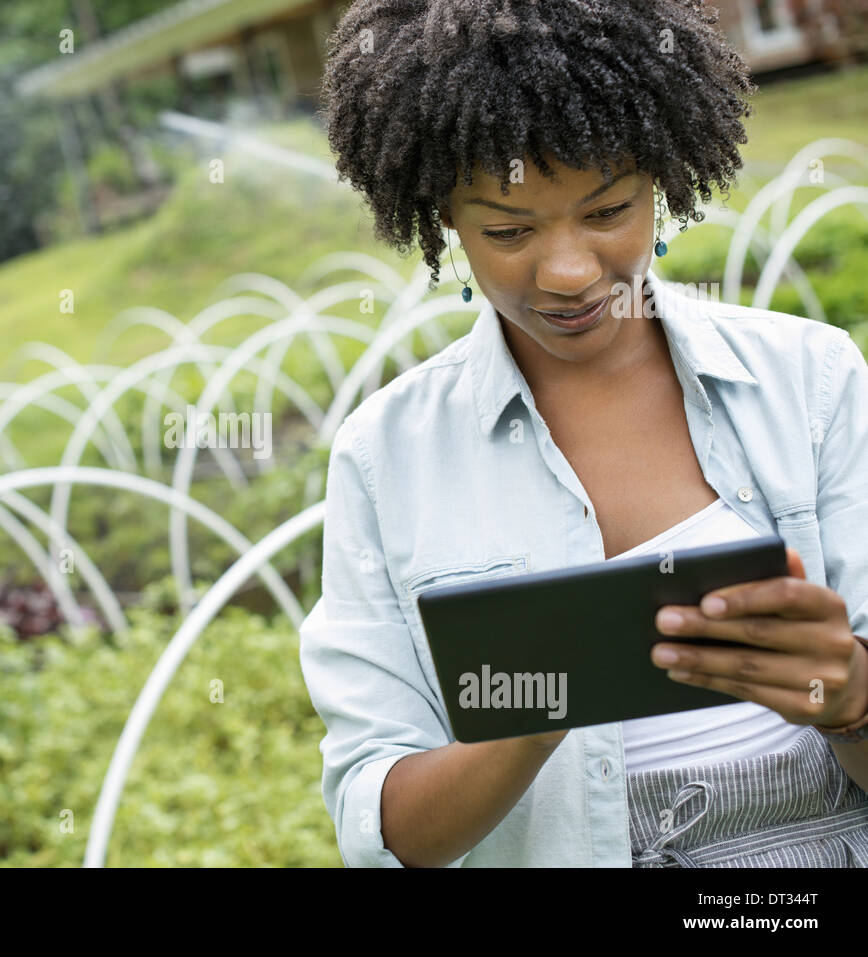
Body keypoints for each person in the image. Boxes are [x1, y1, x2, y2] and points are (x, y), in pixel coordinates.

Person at [299, 0, 868, 867]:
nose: (568, 273)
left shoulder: (812, 381)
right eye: (509, 230)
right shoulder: (386, 458)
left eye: (608, 211)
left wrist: (849, 698)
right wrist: (541, 705)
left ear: (663, 177)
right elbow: (382, 832)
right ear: (442, 215)